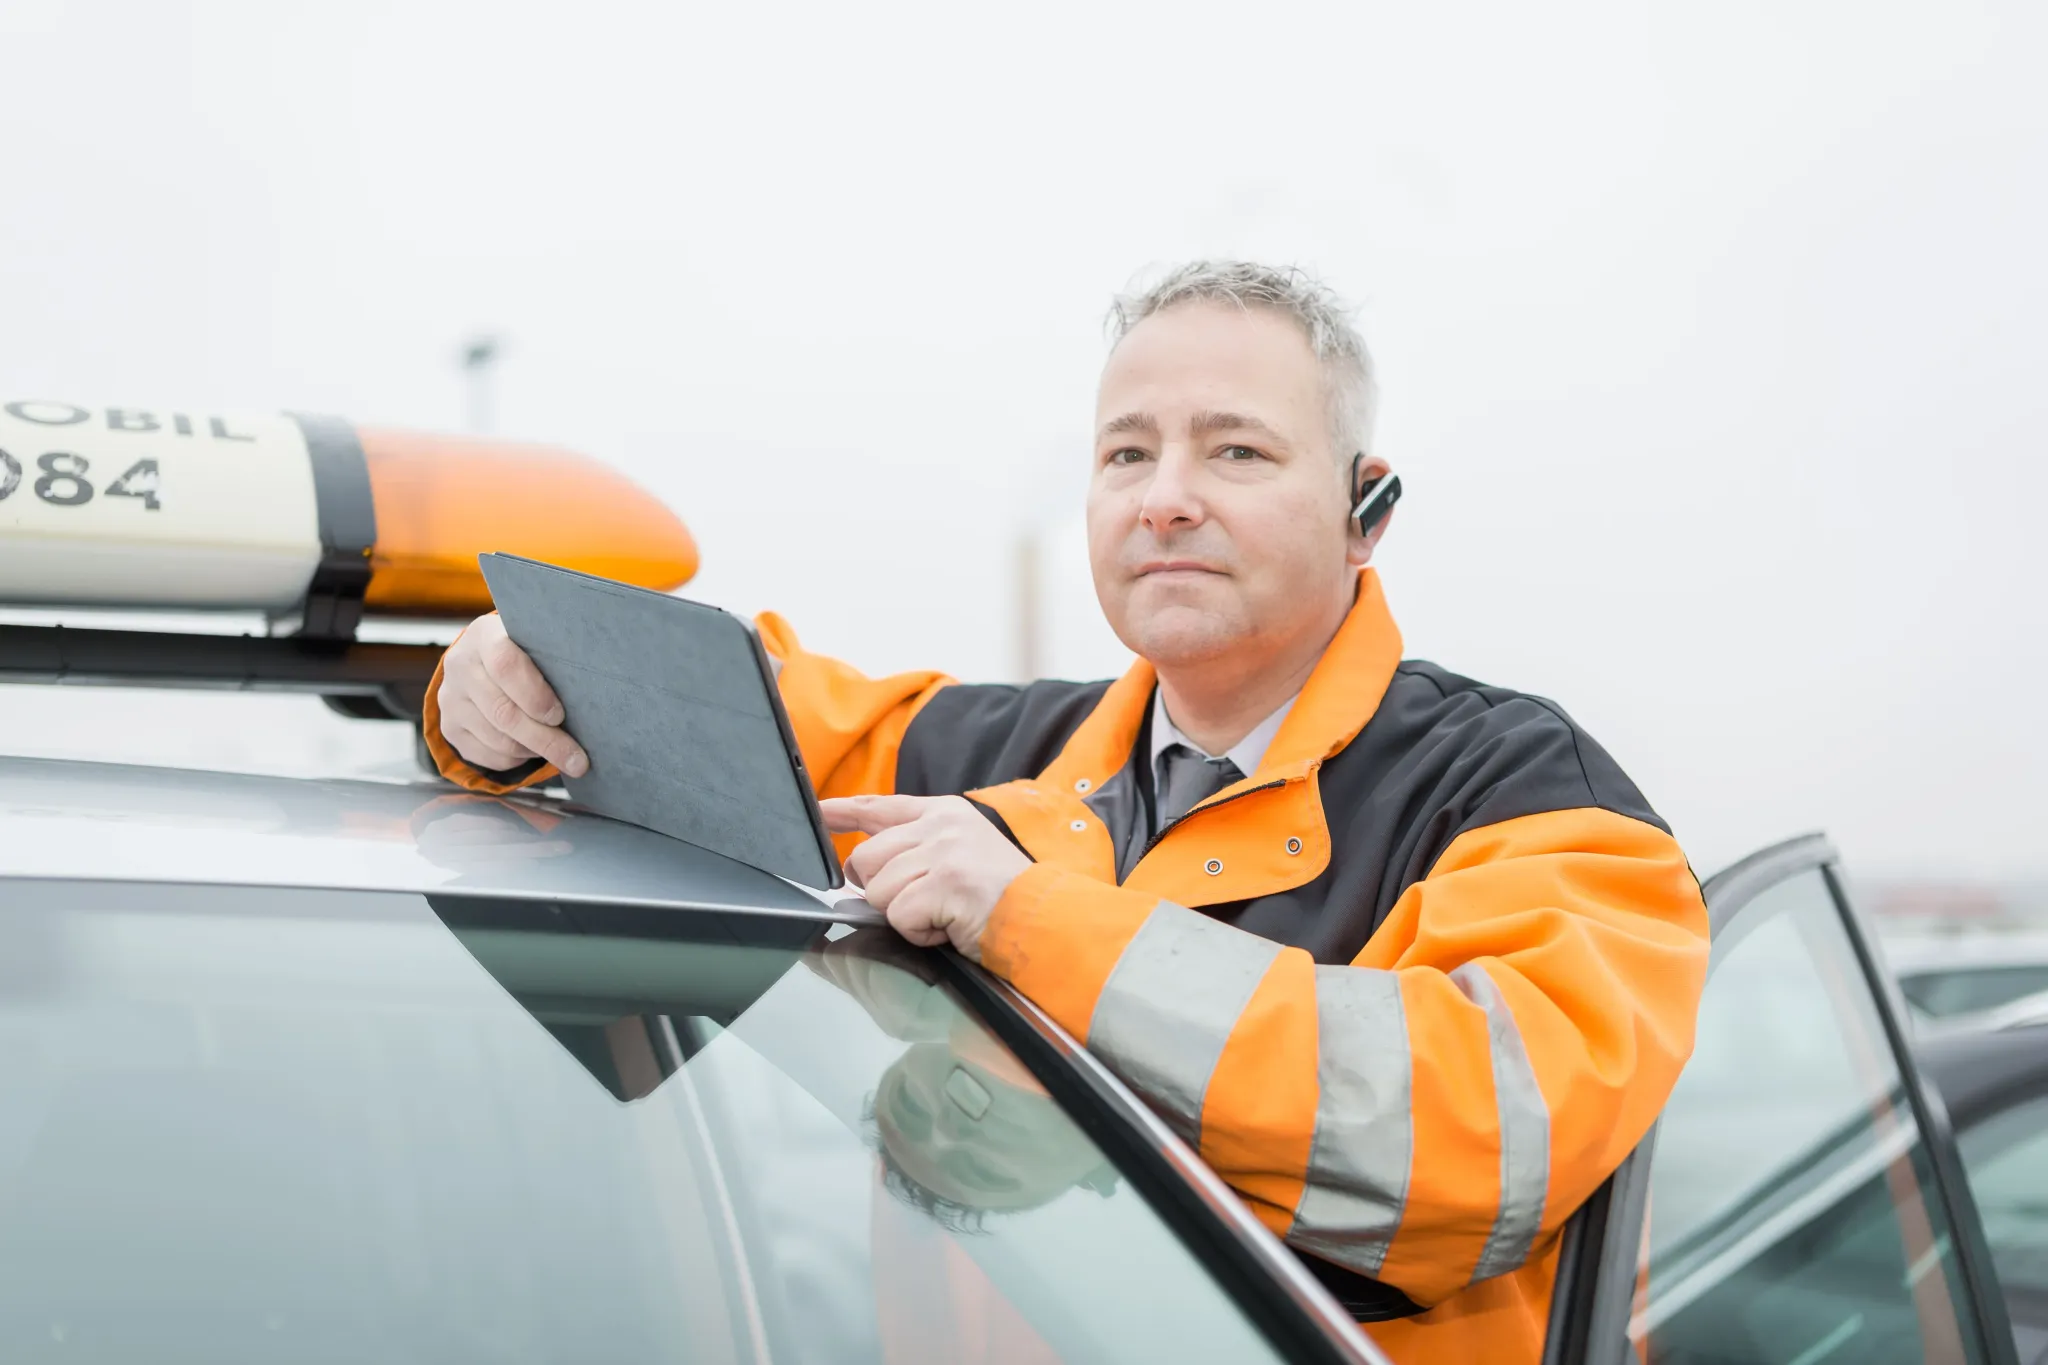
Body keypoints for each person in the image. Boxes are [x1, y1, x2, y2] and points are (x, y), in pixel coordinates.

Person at [424, 260, 1711, 1363]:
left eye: (1237, 450)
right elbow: (704, 712)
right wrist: (491, 697)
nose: (1164, 495)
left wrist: (1027, 920)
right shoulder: (1001, 752)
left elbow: (1475, 1137)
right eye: (1126, 452)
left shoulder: (1530, 796)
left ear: (1364, 510)